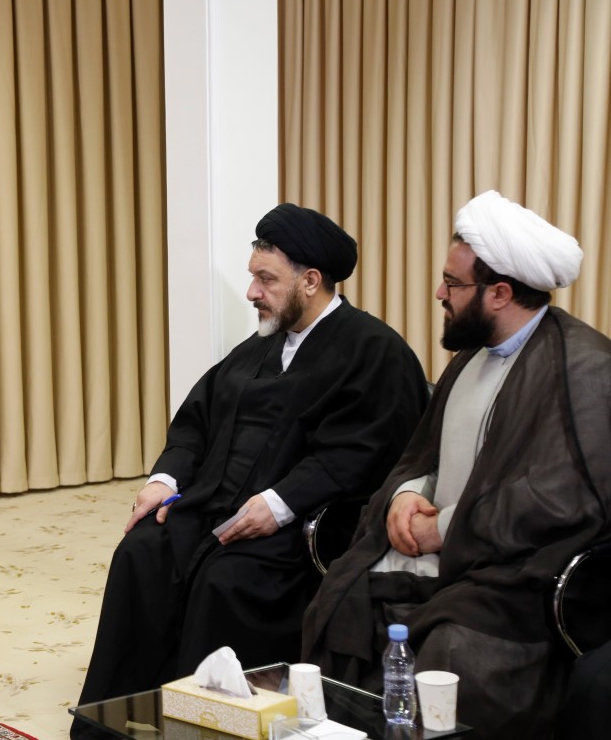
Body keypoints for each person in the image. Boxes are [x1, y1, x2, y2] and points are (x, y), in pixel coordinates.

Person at [72, 204, 429, 732]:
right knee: (142, 553)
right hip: (216, 507)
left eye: (266, 280)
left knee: (226, 579)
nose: (251, 293)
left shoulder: (374, 351)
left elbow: (361, 454)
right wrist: (163, 480)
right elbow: (195, 422)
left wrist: (279, 504)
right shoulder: (260, 347)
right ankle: (120, 721)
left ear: (310, 281)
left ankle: (205, 727)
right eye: (253, 277)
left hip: (301, 529)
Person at [302, 191, 611, 737]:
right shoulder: (470, 355)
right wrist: (406, 495)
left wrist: (445, 528)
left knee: (454, 646)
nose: (439, 293)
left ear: (500, 293)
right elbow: (425, 454)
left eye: (453, 283)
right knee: (343, 594)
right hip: (434, 551)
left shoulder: (585, 368)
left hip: (516, 570)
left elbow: (562, 500)